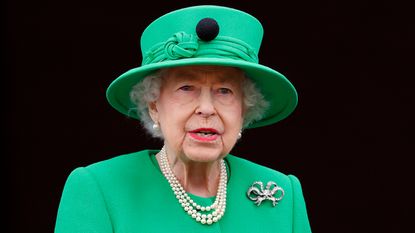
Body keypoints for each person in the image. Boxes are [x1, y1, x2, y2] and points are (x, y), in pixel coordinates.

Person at [54, 5, 312, 233]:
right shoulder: (98, 189)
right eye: (186, 88)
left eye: (225, 91)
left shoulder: (282, 193)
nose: (207, 108)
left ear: (244, 109)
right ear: (154, 105)